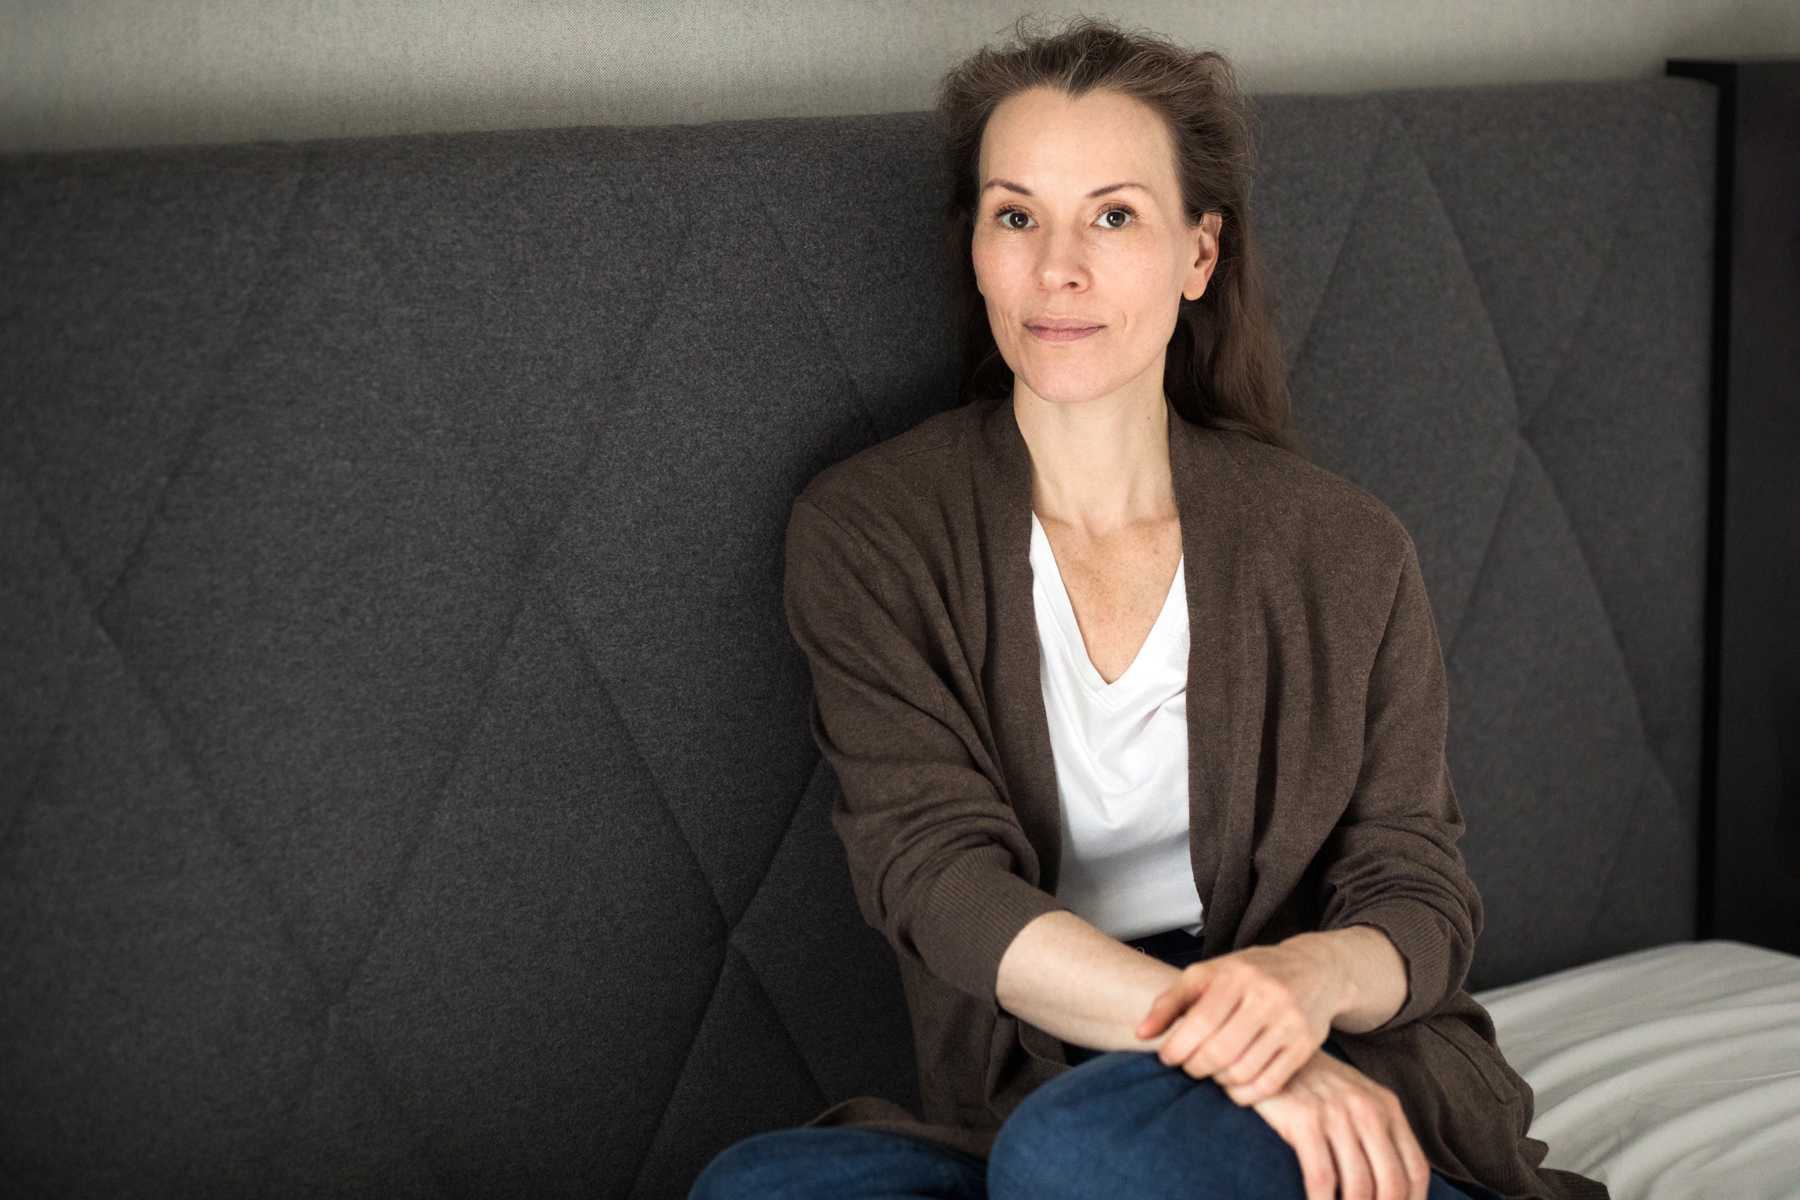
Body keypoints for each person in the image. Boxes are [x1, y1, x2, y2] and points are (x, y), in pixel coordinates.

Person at [691, 17, 1603, 1200]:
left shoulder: (1345, 550)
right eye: (1016, 216)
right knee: (761, 1187)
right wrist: (1219, 1048)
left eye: (1114, 217)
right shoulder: (872, 531)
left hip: (1335, 1081)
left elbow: (1417, 895)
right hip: (1040, 1093)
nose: (1057, 268)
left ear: (1198, 252)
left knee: (1085, 1156)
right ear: (975, 246)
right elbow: (935, 877)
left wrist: (1300, 998)